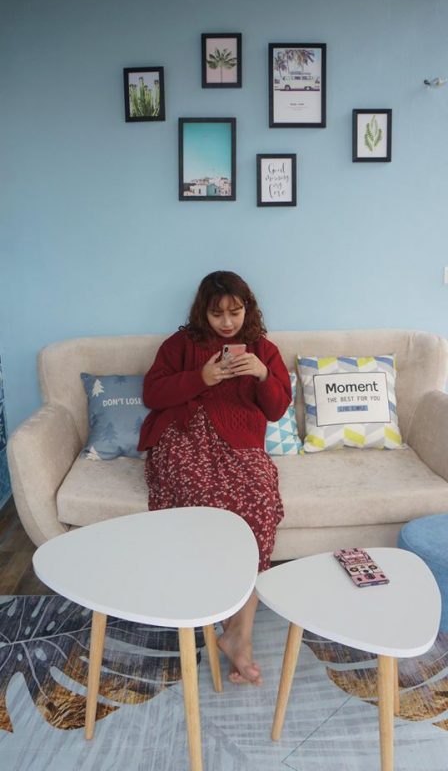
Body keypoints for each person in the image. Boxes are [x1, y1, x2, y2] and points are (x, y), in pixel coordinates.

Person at [138, 271, 291, 685]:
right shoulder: (180, 344)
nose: (226, 322)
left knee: (259, 497)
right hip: (182, 433)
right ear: (202, 312)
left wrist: (263, 375)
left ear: (247, 309)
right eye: (217, 314)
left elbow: (277, 409)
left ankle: (240, 632)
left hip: (239, 438)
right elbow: (152, 394)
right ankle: (215, 612)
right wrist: (200, 379)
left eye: (235, 312)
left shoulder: (263, 349)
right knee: (201, 496)